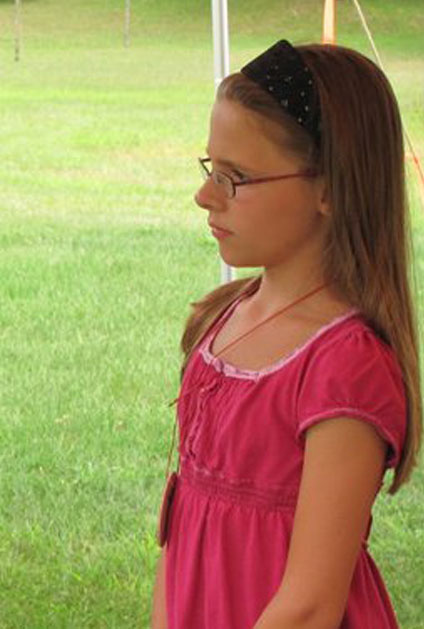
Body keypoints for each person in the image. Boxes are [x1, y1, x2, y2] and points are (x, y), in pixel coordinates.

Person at [151, 41, 419, 628]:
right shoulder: (223, 319)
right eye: (210, 170)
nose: (205, 196)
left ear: (330, 187)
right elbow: (178, 532)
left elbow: (309, 607)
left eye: (236, 178)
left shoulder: (344, 366)